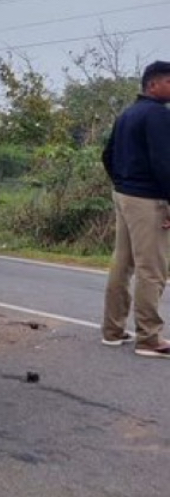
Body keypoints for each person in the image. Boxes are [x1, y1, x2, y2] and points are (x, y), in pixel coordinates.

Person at [100, 60, 170, 358]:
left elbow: (107, 155)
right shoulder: (157, 115)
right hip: (147, 199)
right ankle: (149, 338)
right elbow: (164, 163)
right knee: (152, 269)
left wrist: (121, 182)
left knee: (123, 263)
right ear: (153, 84)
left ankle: (113, 331)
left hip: (124, 195)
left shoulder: (127, 114)